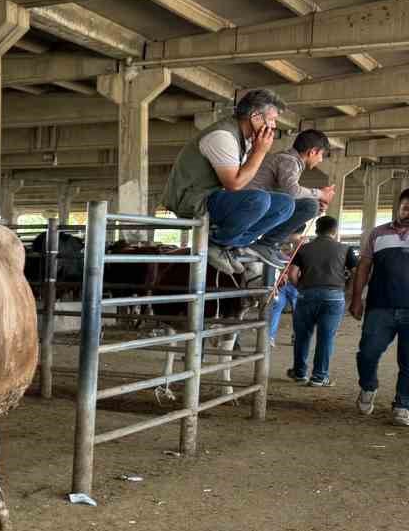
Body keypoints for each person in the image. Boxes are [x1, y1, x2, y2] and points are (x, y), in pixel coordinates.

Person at [160, 88, 295, 278]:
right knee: (259, 200)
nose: (273, 126)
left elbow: (240, 183)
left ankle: (236, 244)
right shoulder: (222, 136)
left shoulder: (246, 139)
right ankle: (216, 244)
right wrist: (260, 152)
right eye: (271, 120)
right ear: (256, 117)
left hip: (213, 197)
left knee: (286, 204)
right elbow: (235, 184)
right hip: (191, 199)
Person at [352, 187, 409, 425]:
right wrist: (356, 298)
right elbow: (363, 267)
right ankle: (368, 386)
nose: (407, 212)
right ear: (398, 207)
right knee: (367, 353)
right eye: (405, 207)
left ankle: (403, 404)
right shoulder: (377, 234)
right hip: (380, 306)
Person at [286, 215, 357, 387]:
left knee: (302, 336)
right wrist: (347, 290)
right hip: (334, 297)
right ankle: (319, 376)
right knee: (326, 337)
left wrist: (300, 289)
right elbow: (356, 272)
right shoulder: (345, 249)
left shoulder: (303, 249)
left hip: (306, 295)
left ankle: (299, 373)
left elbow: (292, 274)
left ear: (316, 230)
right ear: (335, 230)